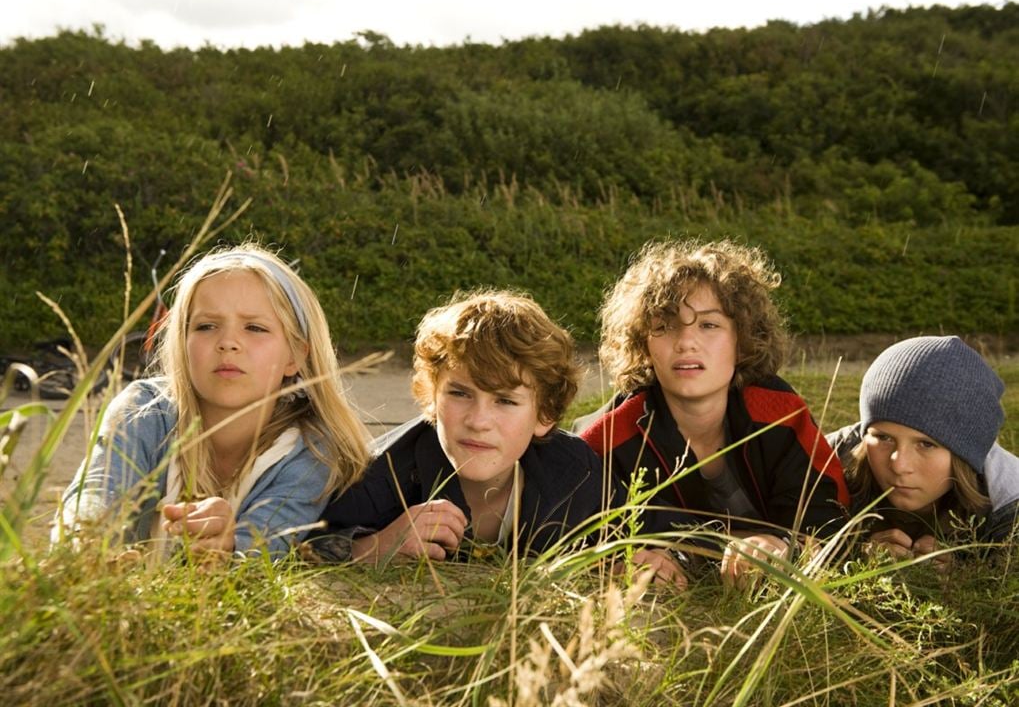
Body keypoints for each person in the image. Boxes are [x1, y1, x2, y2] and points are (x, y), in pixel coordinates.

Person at [53, 244, 371, 561]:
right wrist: (87, 539)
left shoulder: (311, 450)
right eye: (206, 326)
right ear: (182, 342)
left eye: (255, 328)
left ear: (296, 356)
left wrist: (228, 546)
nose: (228, 343)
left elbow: (269, 546)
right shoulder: (144, 410)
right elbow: (94, 496)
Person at [578, 238, 849, 586]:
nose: (686, 342)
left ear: (743, 339)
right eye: (665, 326)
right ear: (642, 343)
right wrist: (637, 558)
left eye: (709, 325)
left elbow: (831, 511)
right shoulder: (609, 437)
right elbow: (583, 526)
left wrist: (782, 543)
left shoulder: (778, 411)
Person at [310, 289, 616, 567]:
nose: (478, 421)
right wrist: (377, 545)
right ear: (431, 397)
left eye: (506, 401)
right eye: (459, 394)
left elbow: (627, 539)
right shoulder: (379, 478)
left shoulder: (577, 472)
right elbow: (303, 548)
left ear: (544, 415)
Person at [827, 335, 1019, 565]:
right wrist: (853, 552)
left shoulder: (1010, 504)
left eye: (926, 444)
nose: (899, 465)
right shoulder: (822, 460)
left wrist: (965, 569)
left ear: (964, 454)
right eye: (883, 437)